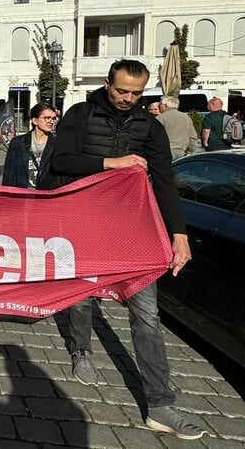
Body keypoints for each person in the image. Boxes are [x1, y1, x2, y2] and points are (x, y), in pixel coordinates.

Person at [39, 59, 205, 441]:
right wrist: (111, 163)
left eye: (136, 92)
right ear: (107, 84)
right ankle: (81, 349)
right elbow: (61, 162)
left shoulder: (151, 126)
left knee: (146, 313)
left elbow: (164, 179)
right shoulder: (80, 114)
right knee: (81, 297)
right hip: (80, 223)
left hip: (131, 230)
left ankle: (161, 405)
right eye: (122, 91)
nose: (129, 98)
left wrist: (178, 234)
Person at [2, 103, 56, 189]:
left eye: (54, 118)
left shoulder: (57, 144)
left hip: (46, 196)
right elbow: (9, 174)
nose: (51, 121)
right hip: (22, 195)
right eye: (47, 118)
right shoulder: (18, 142)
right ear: (35, 120)